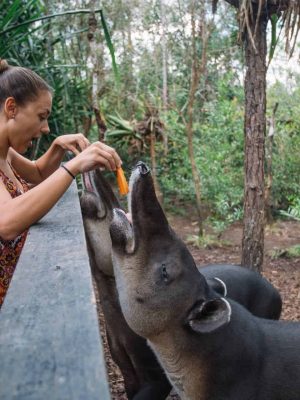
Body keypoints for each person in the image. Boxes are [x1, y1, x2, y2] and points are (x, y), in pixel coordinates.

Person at [0, 59, 122, 307]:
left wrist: (57, 147)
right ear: (11, 108)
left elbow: (37, 172)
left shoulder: (6, 154)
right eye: (41, 117)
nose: (45, 128)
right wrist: (74, 166)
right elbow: (6, 223)